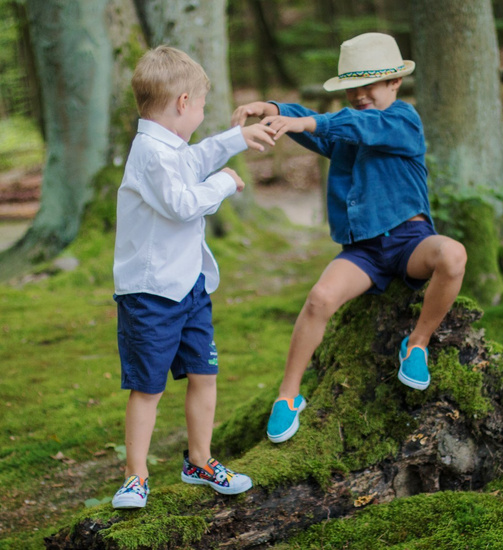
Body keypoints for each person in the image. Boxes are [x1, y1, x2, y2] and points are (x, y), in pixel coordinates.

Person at [231, 32, 467, 444]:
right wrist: (270, 109)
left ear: (394, 82)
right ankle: (288, 396)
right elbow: (315, 126)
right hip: (363, 252)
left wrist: (308, 120)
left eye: (369, 85)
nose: (359, 95)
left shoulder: (402, 120)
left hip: (409, 241)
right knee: (319, 298)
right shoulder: (342, 129)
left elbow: (359, 126)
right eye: (352, 88)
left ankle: (417, 343)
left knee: (452, 254)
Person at [111, 45, 276, 508]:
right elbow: (183, 204)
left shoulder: (171, 147)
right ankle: (135, 475)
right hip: (150, 294)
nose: (203, 114)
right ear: (184, 102)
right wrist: (226, 181)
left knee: (205, 373)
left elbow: (198, 157)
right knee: (147, 387)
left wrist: (240, 138)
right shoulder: (150, 153)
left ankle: (200, 461)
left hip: (190, 288)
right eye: (202, 105)